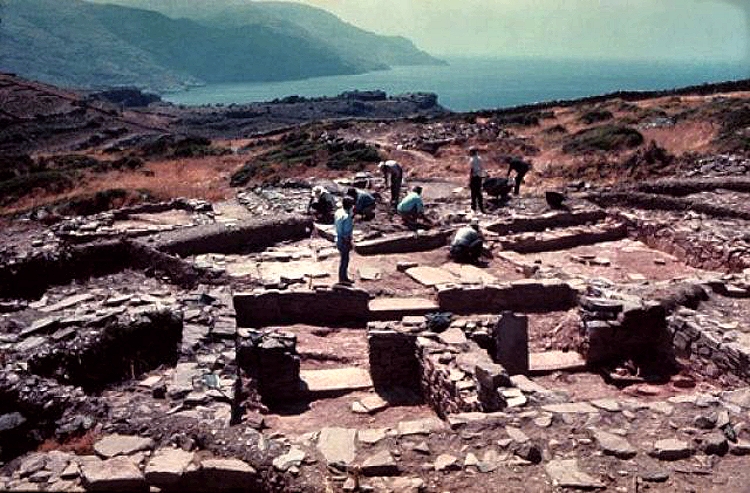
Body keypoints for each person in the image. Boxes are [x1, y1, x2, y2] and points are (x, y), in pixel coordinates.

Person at [334, 196, 355, 284]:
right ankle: (343, 279)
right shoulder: (347, 217)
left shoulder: (338, 212)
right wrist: (350, 242)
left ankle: (343, 277)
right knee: (345, 260)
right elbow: (346, 233)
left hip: (338, 238)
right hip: (344, 241)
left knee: (343, 259)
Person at [468, 147, 485, 213]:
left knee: (473, 193)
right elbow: (481, 168)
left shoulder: (472, 159)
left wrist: (470, 179)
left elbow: (471, 170)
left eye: (470, 152)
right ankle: (481, 208)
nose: (469, 153)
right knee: (479, 193)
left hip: (474, 177)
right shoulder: (480, 158)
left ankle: (474, 208)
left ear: (472, 152)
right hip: (479, 177)